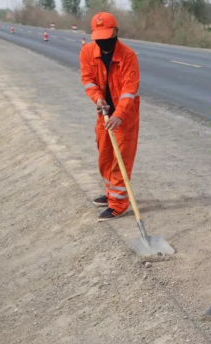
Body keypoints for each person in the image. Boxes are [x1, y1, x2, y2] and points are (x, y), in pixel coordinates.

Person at [80, 12, 140, 221]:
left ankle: (118, 204)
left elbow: (129, 89)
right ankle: (110, 194)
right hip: (104, 115)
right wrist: (97, 98)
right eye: (99, 36)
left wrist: (120, 114)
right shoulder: (87, 52)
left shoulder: (128, 55)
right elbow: (88, 80)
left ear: (116, 32)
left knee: (120, 161)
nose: (104, 41)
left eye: (107, 35)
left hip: (124, 117)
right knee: (105, 157)